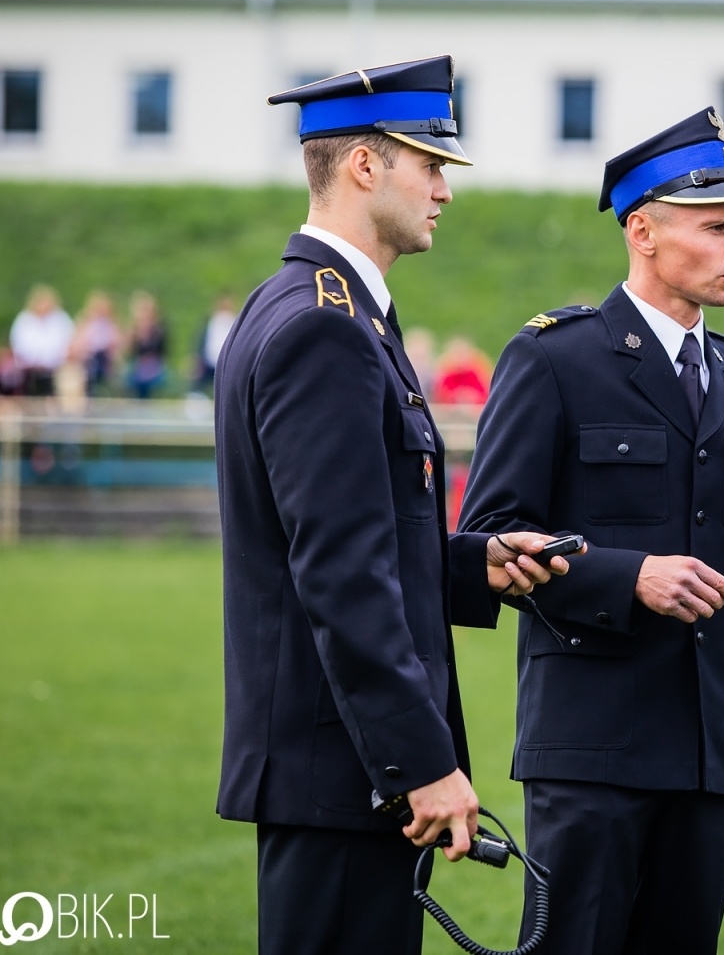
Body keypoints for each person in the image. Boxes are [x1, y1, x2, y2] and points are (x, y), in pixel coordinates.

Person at [460, 106, 724, 955]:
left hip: (710, 752)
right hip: (591, 749)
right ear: (641, 229)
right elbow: (490, 536)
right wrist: (624, 575)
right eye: (718, 226)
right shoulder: (553, 358)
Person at [215, 55, 575, 955]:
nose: (446, 188)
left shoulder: (307, 307)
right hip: (344, 771)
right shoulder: (324, 327)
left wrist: (470, 565)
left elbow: (350, 535)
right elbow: (339, 574)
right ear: (366, 167)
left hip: (336, 766)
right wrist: (421, 764)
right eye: (431, 163)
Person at [9, 285, 74, 397]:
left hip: (57, 368)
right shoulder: (24, 319)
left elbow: (69, 344)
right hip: (27, 368)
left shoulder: (61, 319)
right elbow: (18, 346)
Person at [71, 290, 121, 394]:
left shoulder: (111, 324)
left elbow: (117, 343)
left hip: (106, 359)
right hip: (89, 359)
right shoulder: (86, 324)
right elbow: (78, 345)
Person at [125, 291, 169, 399]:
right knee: (131, 376)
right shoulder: (134, 329)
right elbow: (129, 351)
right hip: (138, 365)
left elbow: (162, 350)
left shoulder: (159, 329)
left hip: (155, 364)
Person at [193, 294, 239, 395]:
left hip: (228, 363)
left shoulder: (235, 323)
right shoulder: (210, 323)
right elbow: (202, 343)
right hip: (208, 362)